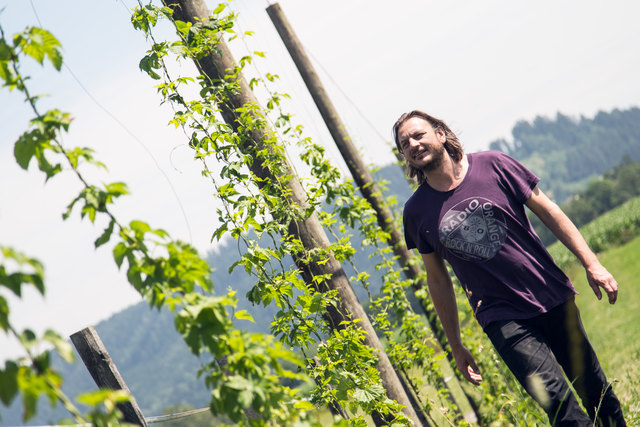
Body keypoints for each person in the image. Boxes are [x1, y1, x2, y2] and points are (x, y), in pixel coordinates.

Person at [393, 110, 626, 426]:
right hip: (500, 317)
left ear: (440, 134)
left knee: (596, 392)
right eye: (405, 143)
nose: (414, 144)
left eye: (418, 135)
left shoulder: (494, 165)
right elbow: (437, 279)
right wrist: (456, 344)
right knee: (558, 405)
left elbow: (550, 212)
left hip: (549, 293)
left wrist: (592, 262)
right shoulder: (416, 212)